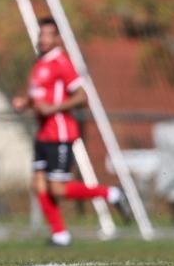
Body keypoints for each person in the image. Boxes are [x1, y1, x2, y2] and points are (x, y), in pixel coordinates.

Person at [12, 17, 128, 246]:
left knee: (58, 189)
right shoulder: (40, 63)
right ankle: (60, 234)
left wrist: (54, 108)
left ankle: (111, 194)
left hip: (60, 134)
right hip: (43, 134)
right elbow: (38, 97)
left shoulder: (61, 63)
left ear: (58, 39)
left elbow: (82, 96)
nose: (43, 39)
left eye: (48, 35)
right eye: (41, 34)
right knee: (39, 185)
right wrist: (24, 103)